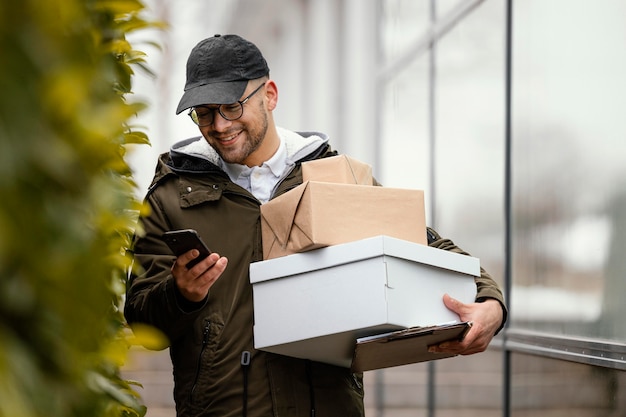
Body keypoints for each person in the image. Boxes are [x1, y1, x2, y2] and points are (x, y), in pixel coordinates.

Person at [124, 34, 507, 417]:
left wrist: (490, 302)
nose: (219, 125)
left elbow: (422, 245)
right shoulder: (169, 197)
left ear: (269, 95)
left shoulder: (336, 179)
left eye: (231, 107)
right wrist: (180, 295)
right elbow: (142, 320)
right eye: (204, 113)